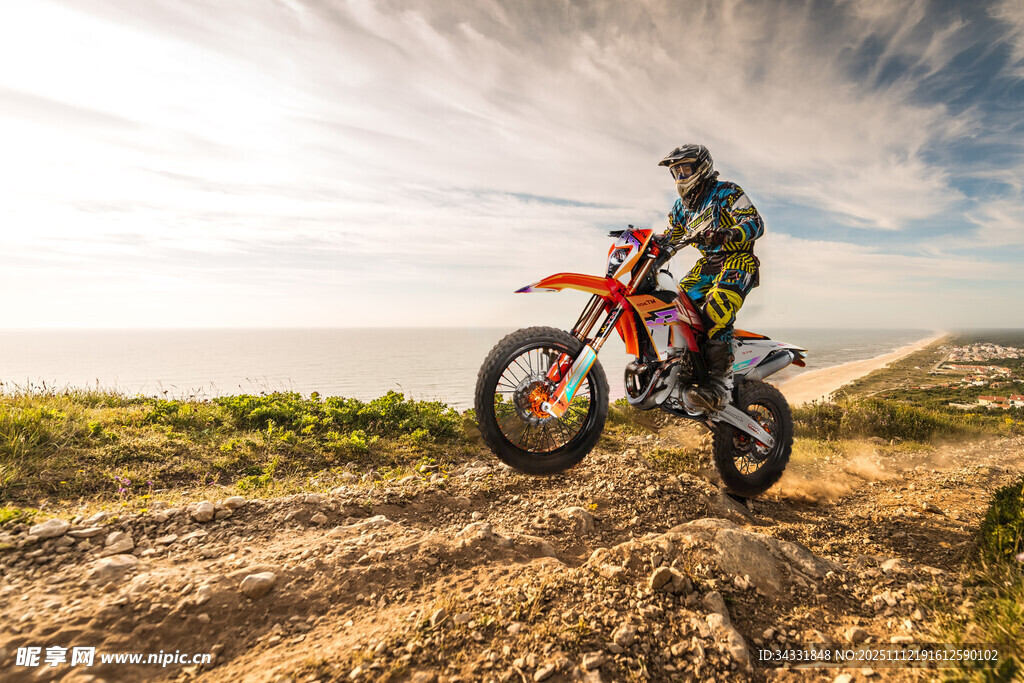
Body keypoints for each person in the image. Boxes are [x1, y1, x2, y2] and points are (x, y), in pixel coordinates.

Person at [659, 143, 764, 410]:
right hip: (707, 265)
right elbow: (670, 236)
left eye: (685, 168)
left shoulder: (727, 192)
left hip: (738, 260)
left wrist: (729, 233)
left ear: (701, 166)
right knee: (672, 308)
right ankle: (682, 371)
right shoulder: (681, 208)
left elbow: (755, 223)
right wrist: (648, 243)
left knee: (716, 309)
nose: (681, 175)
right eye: (676, 170)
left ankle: (719, 385)